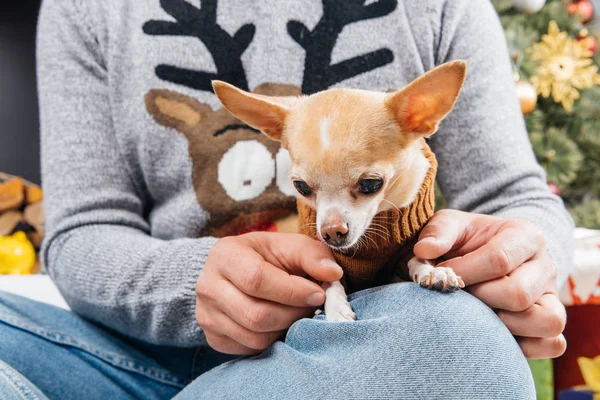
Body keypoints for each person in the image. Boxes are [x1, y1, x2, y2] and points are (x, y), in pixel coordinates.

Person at [0, 0, 571, 398]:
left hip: (366, 339)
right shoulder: (84, 8)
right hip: (136, 361)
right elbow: (80, 231)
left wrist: (522, 256)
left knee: (453, 337)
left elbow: (515, 196)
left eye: (365, 184)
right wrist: (197, 280)